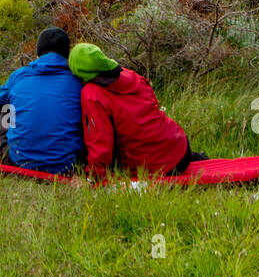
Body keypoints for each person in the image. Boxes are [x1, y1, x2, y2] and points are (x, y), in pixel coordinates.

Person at [67, 43, 206, 178]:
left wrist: (92, 175)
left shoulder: (92, 94)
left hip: (153, 166)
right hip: (180, 145)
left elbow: (100, 142)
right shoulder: (131, 75)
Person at [0, 28, 85, 173]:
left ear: (37, 53)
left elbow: (0, 102)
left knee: (5, 110)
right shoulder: (79, 79)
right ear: (68, 54)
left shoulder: (20, 75)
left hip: (19, 161)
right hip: (67, 165)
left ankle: (5, 151)